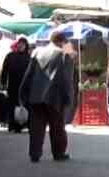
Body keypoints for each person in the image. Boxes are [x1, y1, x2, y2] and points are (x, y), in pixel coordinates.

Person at [20, 29, 77, 161]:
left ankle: (34, 154)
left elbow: (28, 74)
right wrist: (69, 97)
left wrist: (23, 93)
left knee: (36, 127)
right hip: (55, 96)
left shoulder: (37, 51)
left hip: (36, 94)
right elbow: (67, 79)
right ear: (62, 41)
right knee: (57, 126)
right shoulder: (64, 54)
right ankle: (58, 153)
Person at [0, 39, 30, 133]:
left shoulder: (29, 57)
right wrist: (3, 82)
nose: (21, 46)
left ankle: (26, 124)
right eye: (19, 44)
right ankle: (14, 125)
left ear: (26, 46)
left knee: (26, 105)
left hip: (26, 86)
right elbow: (5, 70)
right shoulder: (10, 56)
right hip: (13, 85)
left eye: (23, 44)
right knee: (13, 105)